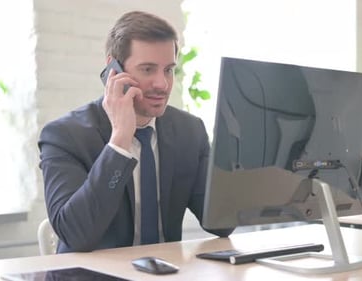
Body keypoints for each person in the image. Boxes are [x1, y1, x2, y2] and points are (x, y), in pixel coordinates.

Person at [38, 11, 233, 253]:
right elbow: (77, 235)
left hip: (168, 272)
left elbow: (221, 224)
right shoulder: (65, 136)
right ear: (114, 69)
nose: (162, 84)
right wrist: (120, 141)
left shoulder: (188, 131)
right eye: (148, 69)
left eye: (169, 70)